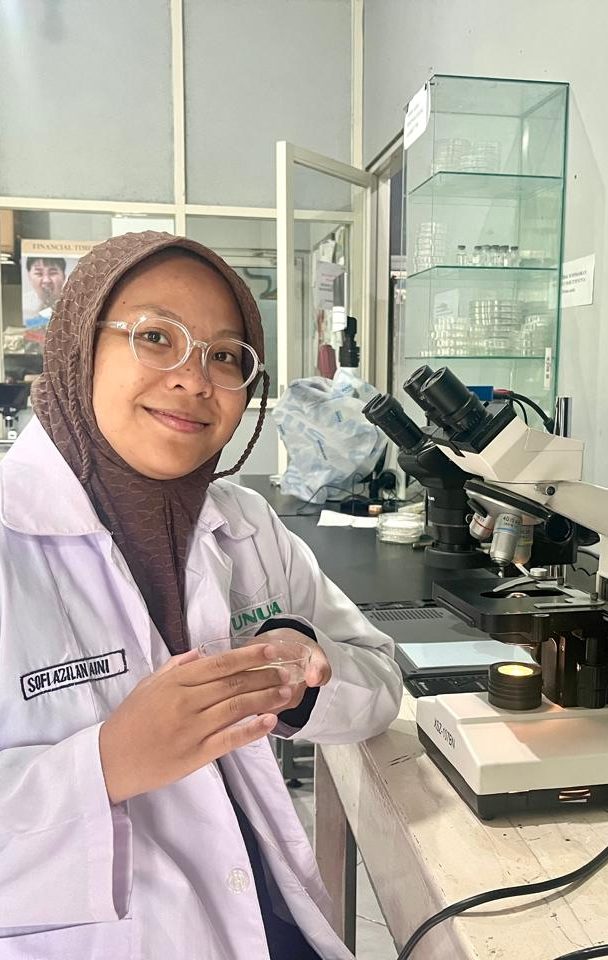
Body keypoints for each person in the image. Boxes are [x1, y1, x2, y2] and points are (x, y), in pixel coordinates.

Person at [0, 231, 403, 959]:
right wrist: (109, 762)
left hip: (270, 922)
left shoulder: (245, 523)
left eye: (225, 355)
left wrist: (303, 679)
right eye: (156, 336)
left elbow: (379, 680)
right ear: (76, 346)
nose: (195, 379)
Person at [23, 255, 67, 328]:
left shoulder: (75, 304)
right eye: (39, 274)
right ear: (29, 276)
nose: (46, 280)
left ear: (64, 276)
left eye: (52, 273)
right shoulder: (24, 306)